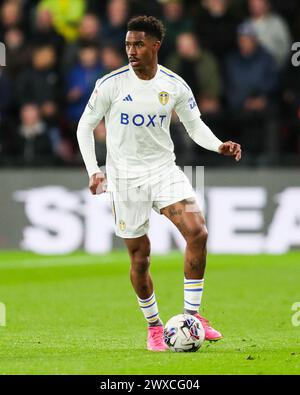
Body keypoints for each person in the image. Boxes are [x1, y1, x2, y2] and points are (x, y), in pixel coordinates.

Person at [77, 16, 241, 352]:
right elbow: (84, 127)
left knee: (198, 232)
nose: (131, 51)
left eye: (138, 44)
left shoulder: (175, 85)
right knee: (141, 258)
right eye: (127, 44)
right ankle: (154, 327)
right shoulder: (110, 84)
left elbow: (195, 126)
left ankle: (192, 318)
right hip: (125, 179)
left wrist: (218, 145)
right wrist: (94, 170)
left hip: (164, 172)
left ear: (156, 45)